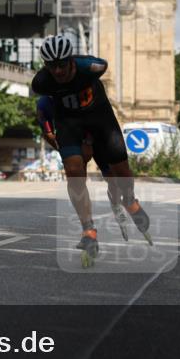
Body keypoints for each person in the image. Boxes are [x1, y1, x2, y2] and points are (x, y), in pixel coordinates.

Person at [31, 34, 150, 267]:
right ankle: (88, 229)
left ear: (71, 60)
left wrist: (91, 140)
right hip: (70, 124)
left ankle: (129, 200)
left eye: (62, 64)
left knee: (120, 172)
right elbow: (47, 124)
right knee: (74, 171)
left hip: (101, 120)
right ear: (46, 66)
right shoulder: (41, 83)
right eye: (52, 66)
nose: (58, 71)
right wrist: (67, 147)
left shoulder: (93, 67)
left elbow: (102, 64)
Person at [36, 95, 130, 240]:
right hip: (72, 137)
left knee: (112, 179)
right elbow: (48, 134)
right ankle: (87, 225)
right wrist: (64, 152)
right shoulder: (44, 103)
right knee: (77, 179)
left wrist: (88, 142)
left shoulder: (78, 92)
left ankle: (116, 204)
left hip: (97, 135)